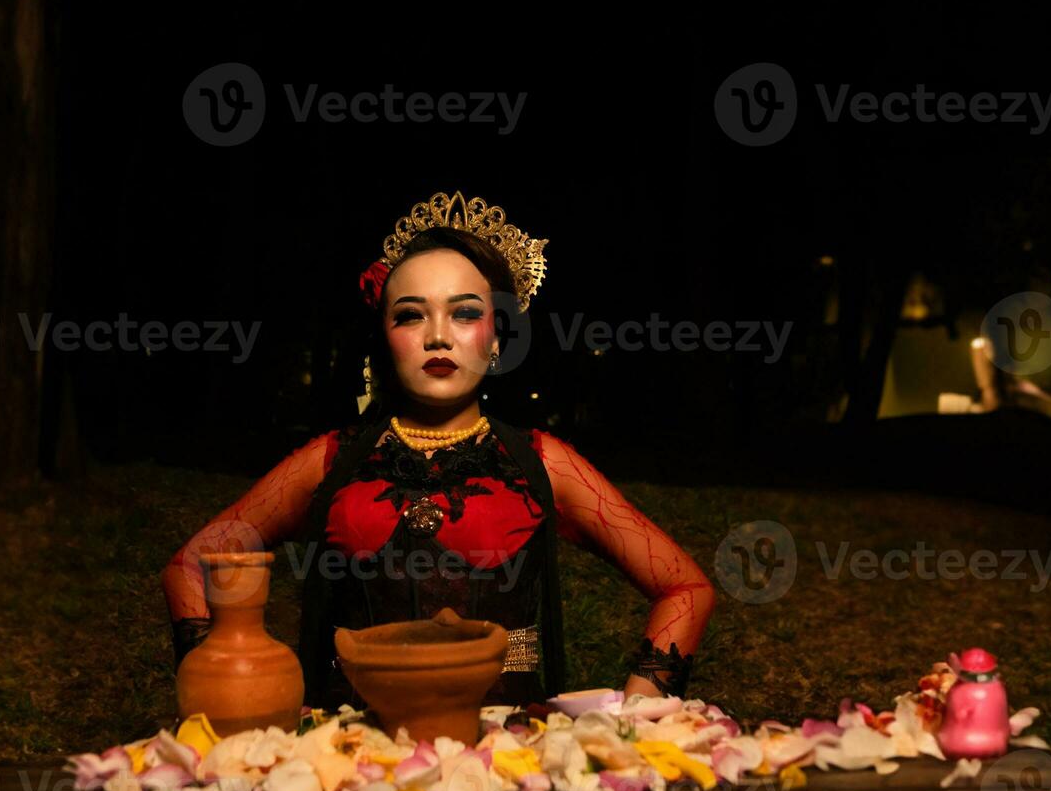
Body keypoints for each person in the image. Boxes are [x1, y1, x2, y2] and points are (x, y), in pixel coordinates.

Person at [162, 192, 715, 707]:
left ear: (497, 338)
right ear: (384, 337)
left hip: (503, 764)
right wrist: (224, 690)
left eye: (465, 313)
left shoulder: (543, 463)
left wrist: (632, 723)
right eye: (410, 314)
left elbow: (684, 587)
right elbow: (190, 566)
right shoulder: (333, 460)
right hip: (353, 765)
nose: (437, 336)